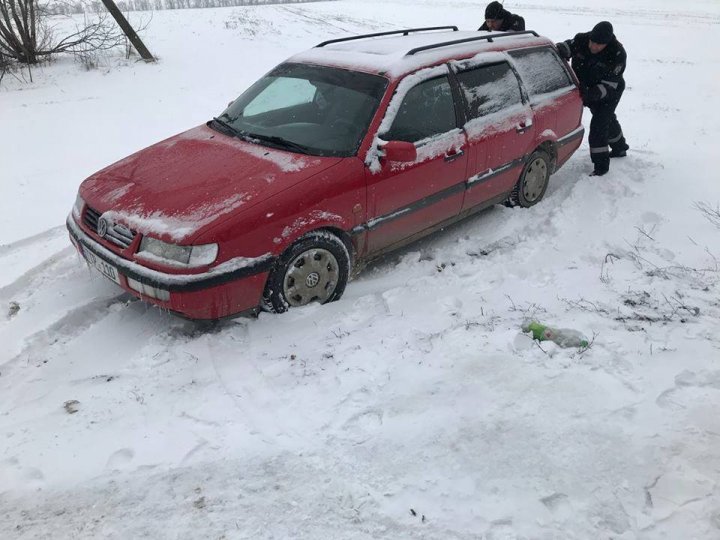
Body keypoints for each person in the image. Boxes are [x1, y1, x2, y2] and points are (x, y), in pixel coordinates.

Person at [556, 21, 629, 176]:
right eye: (592, 42)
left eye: (598, 45)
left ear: (607, 43)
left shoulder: (617, 54)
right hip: (585, 86)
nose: (593, 47)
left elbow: (609, 86)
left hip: (608, 92)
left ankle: (601, 167)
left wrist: (590, 93)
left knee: (599, 125)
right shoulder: (582, 39)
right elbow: (568, 47)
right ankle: (620, 147)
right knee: (608, 119)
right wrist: (562, 48)